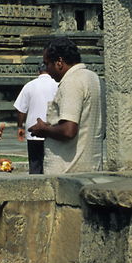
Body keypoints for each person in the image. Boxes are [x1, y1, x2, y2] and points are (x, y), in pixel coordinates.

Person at [27, 36, 103, 174]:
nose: (47, 70)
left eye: (47, 64)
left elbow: (68, 130)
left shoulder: (72, 82)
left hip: (67, 170)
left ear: (59, 62)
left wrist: (44, 129)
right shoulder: (94, 78)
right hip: (90, 166)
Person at [13, 62, 59, 174]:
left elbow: (21, 109)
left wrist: (20, 126)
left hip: (33, 130)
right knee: (53, 164)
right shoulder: (58, 84)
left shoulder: (29, 86)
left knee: (35, 163)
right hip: (53, 130)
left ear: (38, 71)